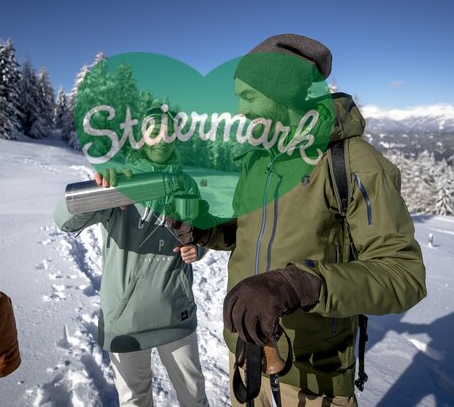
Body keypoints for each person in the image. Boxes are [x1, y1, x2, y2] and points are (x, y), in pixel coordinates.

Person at [170, 34, 428, 406]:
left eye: (249, 97)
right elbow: (244, 232)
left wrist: (298, 284)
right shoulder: (258, 158)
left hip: (313, 374)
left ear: (285, 91)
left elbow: (403, 275)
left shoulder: (352, 161)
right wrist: (205, 227)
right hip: (246, 355)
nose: (240, 110)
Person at [54, 107, 211, 407]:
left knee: (194, 398)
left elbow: (202, 230)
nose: (162, 138)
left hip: (175, 313)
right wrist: (97, 191)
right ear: (140, 137)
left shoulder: (186, 183)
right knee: (135, 401)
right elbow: (64, 219)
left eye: (169, 131)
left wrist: (198, 248)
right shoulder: (121, 181)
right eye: (153, 131)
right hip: (126, 320)